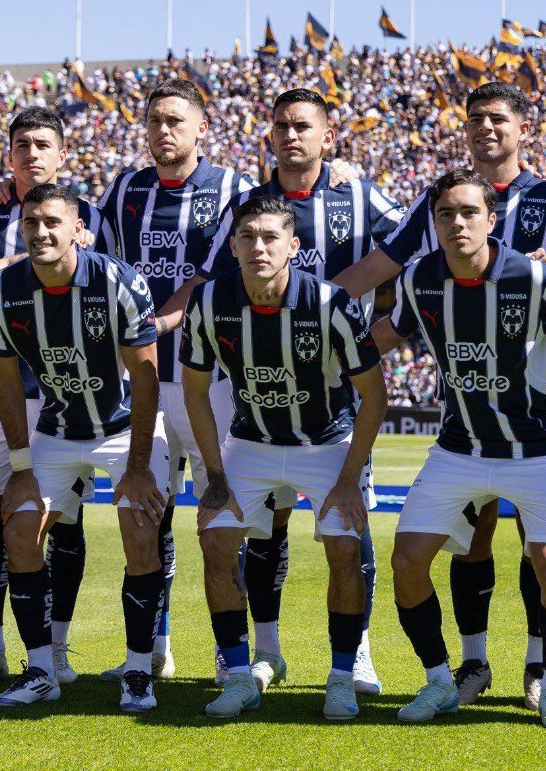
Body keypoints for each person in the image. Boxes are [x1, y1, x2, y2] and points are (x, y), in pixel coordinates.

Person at [93, 80, 364, 685]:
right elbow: (94, 251)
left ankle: (255, 650)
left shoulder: (236, 190)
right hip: (140, 374)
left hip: (210, 377)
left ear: (202, 127)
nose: (164, 131)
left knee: (250, 515)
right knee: (150, 513)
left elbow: (223, 271)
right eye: (155, 120)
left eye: (176, 121)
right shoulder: (123, 191)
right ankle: (155, 648)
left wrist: (339, 168)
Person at [368, 169, 546, 728]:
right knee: (406, 560)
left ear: (491, 221)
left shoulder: (532, 278)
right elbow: (383, 336)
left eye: (469, 212)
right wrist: (320, 362)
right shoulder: (420, 278)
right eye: (445, 214)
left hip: (536, 452)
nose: (457, 223)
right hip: (459, 450)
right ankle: (439, 681)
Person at [337, 82, 546, 709]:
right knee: (468, 539)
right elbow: (382, 267)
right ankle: (470, 664)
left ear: (522, 127)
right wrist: (301, 306)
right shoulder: (438, 201)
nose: (485, 129)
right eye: (475, 119)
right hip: (465, 413)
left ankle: (538, 666)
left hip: (541, 404)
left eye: (498, 118)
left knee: (543, 544)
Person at [159, 87, 403, 696]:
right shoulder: (246, 206)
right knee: (258, 532)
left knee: (349, 539)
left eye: (304, 126)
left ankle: (356, 658)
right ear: (267, 137)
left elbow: (420, 241)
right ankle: (256, 657)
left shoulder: (359, 193)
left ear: (327, 136)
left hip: (332, 410)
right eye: (281, 127)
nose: (291, 136)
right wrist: (159, 322)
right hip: (258, 418)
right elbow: (209, 278)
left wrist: (383, 328)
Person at [182, 196, 387, 720]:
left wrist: (347, 478)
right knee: (215, 540)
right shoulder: (208, 302)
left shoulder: (330, 303)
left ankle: (341, 676)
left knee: (344, 552)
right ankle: (237, 672)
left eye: (271, 236)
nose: (259, 246)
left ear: (293, 246)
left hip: (326, 443)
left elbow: (375, 395)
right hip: (250, 442)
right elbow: (195, 392)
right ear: (232, 245)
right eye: (247, 236)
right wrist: (215, 475)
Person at [0, 183, 170, 711]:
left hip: (122, 427)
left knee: (139, 528)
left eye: (52, 222)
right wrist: (20, 466)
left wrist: (136, 466)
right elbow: (7, 383)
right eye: (32, 223)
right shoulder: (4, 289)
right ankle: (41, 667)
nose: (41, 232)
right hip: (56, 430)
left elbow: (147, 377)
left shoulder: (118, 281)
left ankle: (138, 671)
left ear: (76, 230)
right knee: (19, 530)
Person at [0, 106, 104, 688]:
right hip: (0, 389)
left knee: (64, 521)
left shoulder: (91, 213)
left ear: (63, 154)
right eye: (22, 144)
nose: (32, 154)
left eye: (43, 144)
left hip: (70, 392)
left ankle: (57, 645)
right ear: (8, 154)